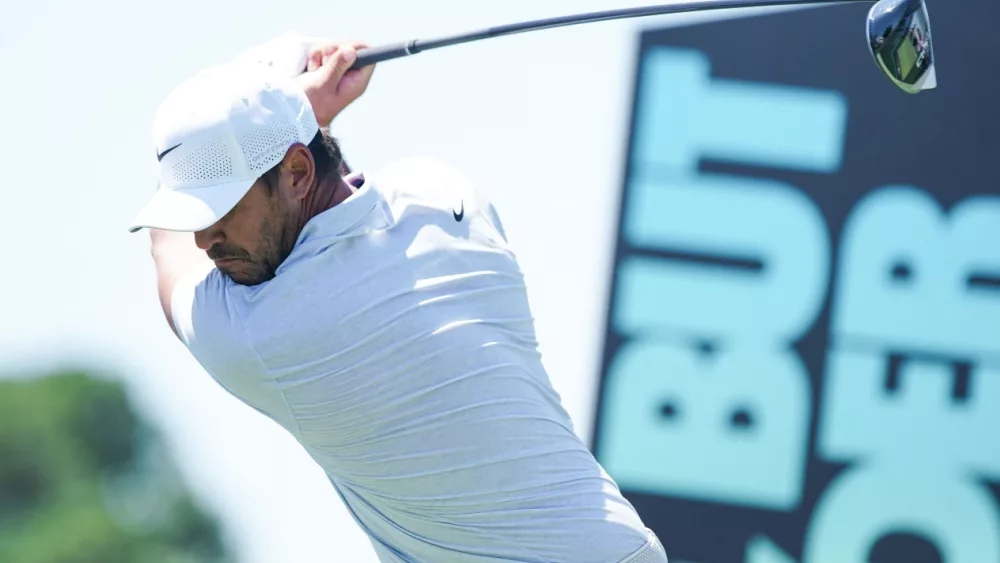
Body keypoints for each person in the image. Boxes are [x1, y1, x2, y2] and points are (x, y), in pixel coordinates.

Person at [129, 33, 668, 563]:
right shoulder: (441, 192)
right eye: (194, 217)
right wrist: (294, 116)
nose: (206, 238)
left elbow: (167, 250)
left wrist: (304, 108)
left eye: (220, 210)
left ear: (296, 172)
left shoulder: (263, 334)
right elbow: (325, 196)